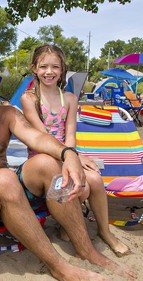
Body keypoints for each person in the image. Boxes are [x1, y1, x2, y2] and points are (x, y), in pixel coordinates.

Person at [0, 50, 137, 280]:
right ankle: (59, 266)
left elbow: (36, 137)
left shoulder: (6, 113)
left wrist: (68, 154)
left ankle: (86, 250)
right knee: (6, 177)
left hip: (11, 189)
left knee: (47, 163)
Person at [20, 44, 130, 257]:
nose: (49, 72)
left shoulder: (69, 99)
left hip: (67, 154)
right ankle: (67, 225)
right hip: (43, 158)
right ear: (34, 68)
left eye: (55, 67)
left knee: (95, 180)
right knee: (82, 187)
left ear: (62, 70)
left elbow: (70, 135)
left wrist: (75, 158)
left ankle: (104, 232)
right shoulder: (29, 99)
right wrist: (71, 159)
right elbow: (43, 137)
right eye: (43, 66)